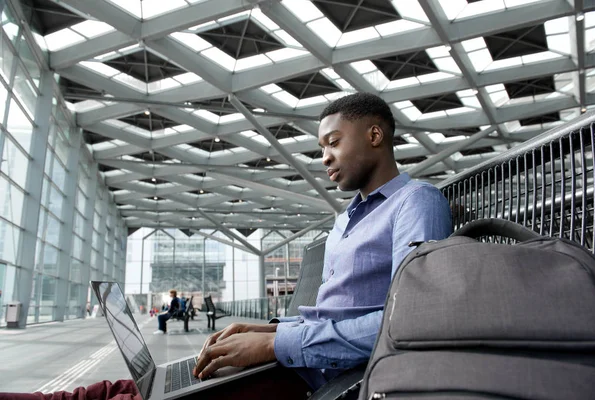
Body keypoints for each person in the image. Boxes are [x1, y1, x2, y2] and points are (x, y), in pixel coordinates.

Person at [2, 93, 452, 399]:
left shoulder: (416, 203)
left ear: (375, 135)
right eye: (320, 147)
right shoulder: (346, 220)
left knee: (131, 396)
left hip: (318, 376)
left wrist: (277, 345)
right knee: (127, 388)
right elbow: (334, 310)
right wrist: (267, 330)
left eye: (333, 142)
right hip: (292, 358)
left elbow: (410, 324)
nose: (324, 158)